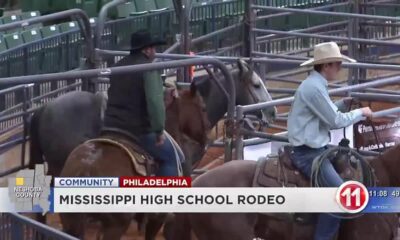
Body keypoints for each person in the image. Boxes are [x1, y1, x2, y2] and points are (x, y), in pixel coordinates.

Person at [287, 42, 373, 240]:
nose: (340, 68)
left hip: (314, 149)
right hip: (308, 153)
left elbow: (326, 113)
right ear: (326, 66)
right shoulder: (315, 88)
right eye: (337, 64)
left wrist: (342, 104)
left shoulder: (314, 85)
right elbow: (335, 121)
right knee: (339, 197)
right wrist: (361, 112)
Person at [103, 29, 179, 176]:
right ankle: (170, 195)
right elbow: (154, 103)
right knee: (170, 157)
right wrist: (158, 131)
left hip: (110, 127)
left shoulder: (118, 66)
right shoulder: (149, 68)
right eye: (153, 48)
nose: (155, 52)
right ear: (147, 50)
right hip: (137, 131)